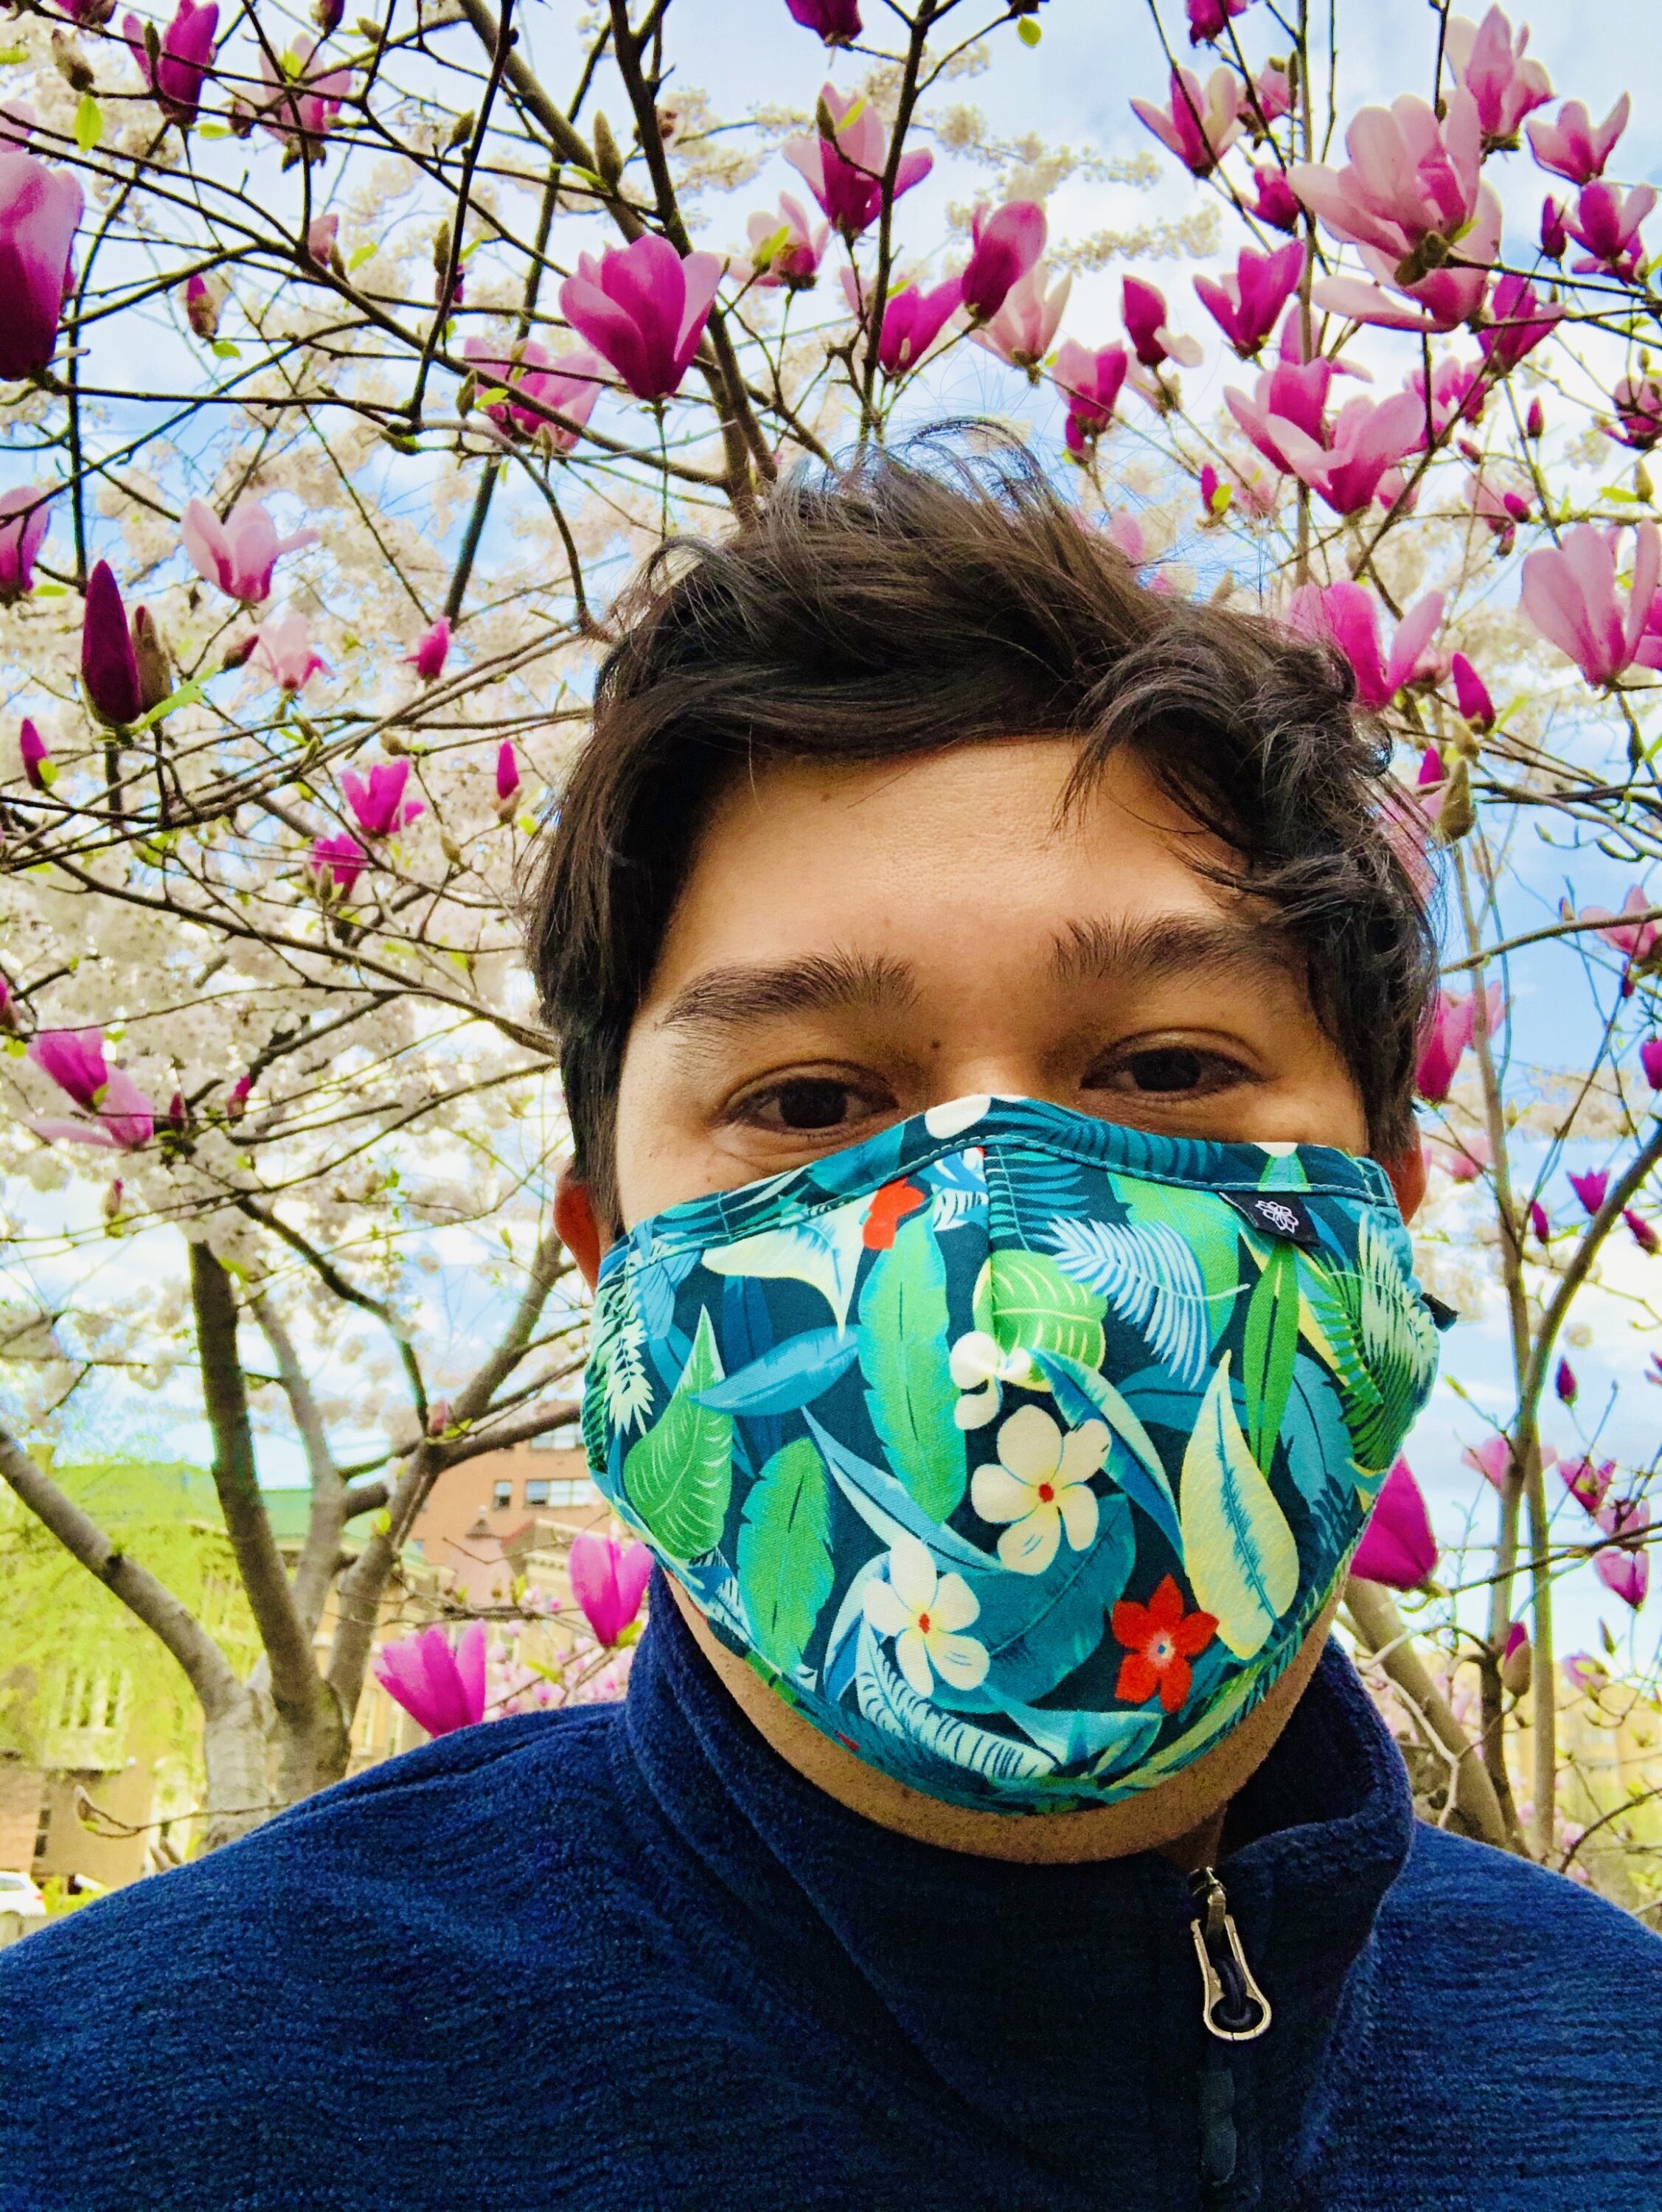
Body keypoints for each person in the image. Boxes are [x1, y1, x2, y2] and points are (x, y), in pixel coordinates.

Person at [4, 439, 1659, 2211]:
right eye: (806, 1100)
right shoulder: (106, 2121)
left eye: (1164, 1066)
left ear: (1382, 1217)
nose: (1002, 1284)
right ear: (605, 1261)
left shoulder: (1615, 2064)